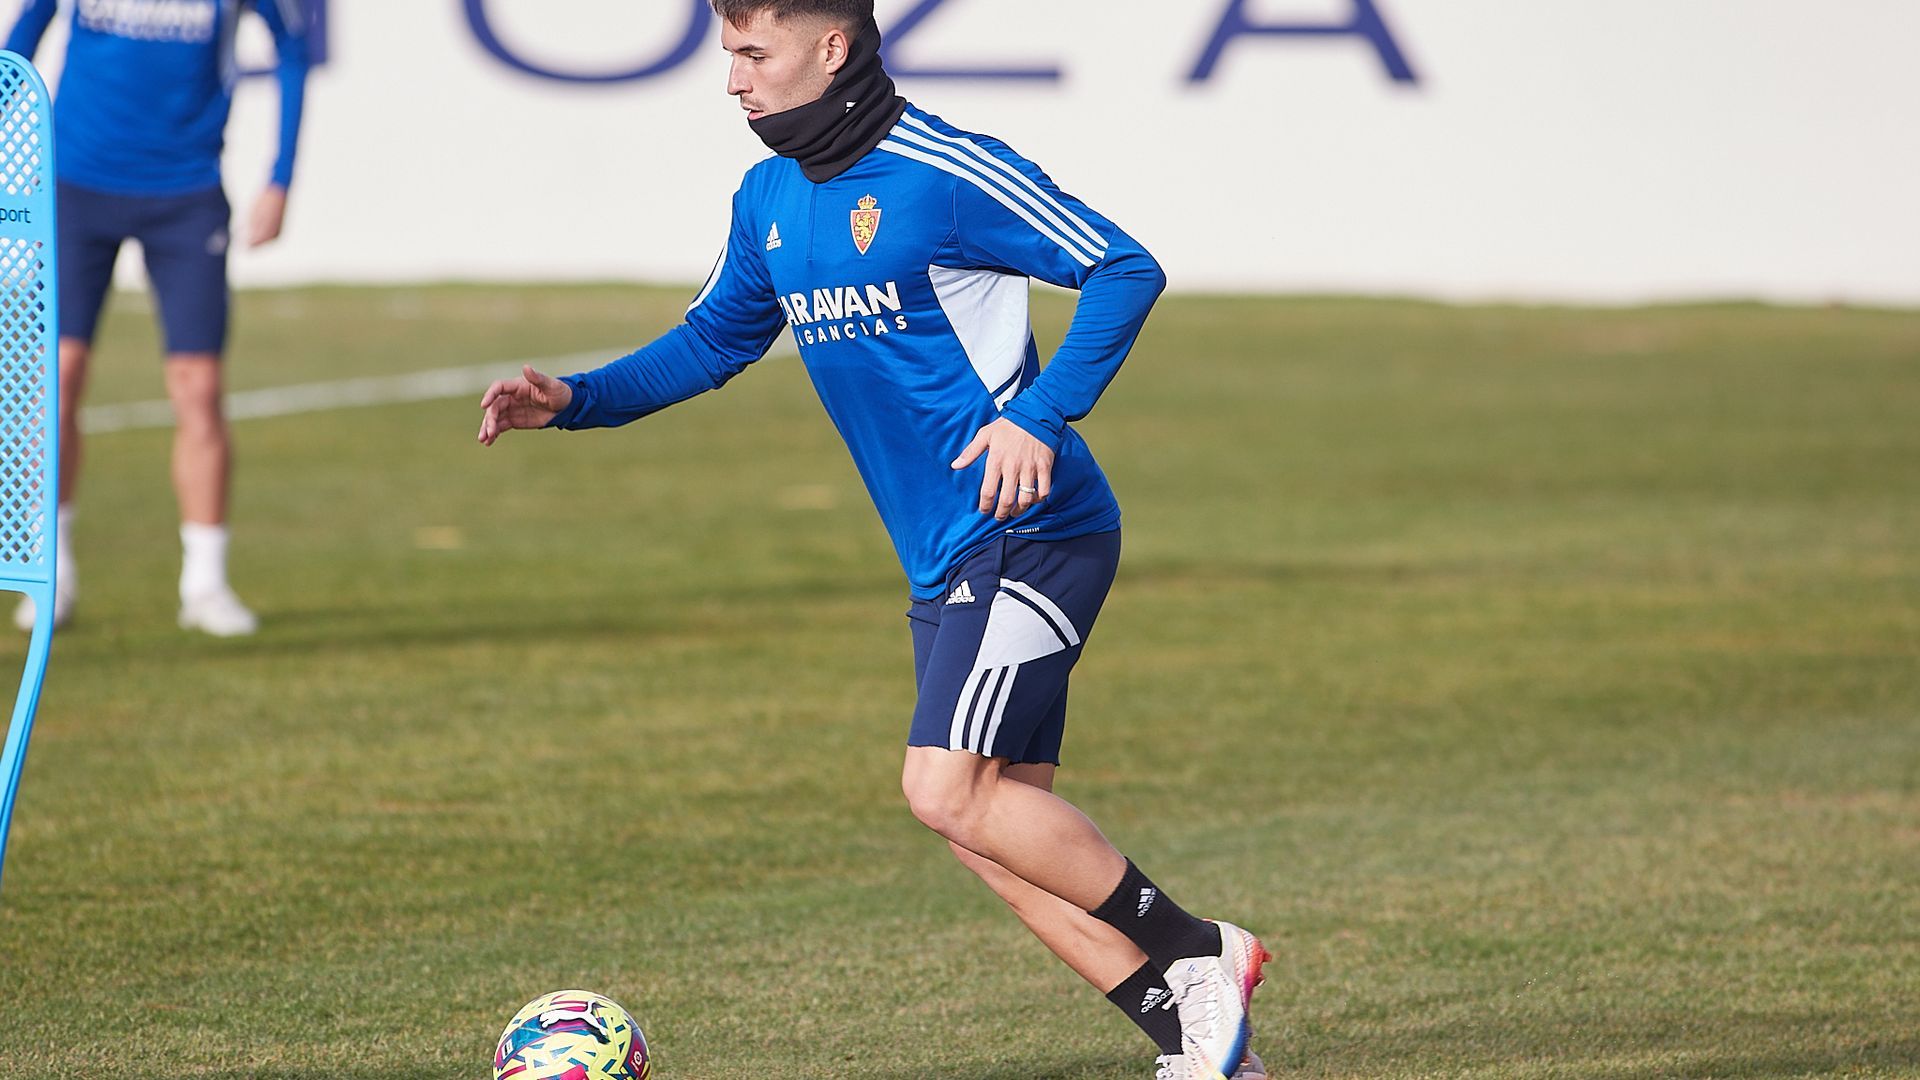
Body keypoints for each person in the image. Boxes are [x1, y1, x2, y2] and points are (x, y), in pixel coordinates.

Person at [477, 3, 1268, 1077]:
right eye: (729, 57)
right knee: (984, 822)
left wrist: (1038, 418)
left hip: (1029, 531)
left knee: (944, 789)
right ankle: (1193, 1031)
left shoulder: (942, 170)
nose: (734, 83)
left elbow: (1123, 268)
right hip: (943, 555)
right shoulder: (768, 197)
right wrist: (574, 399)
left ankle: (1195, 952)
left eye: (754, 55)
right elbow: (713, 341)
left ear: (833, 48)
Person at [5, 0, 312, 636]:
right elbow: (23, 40)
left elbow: (291, 49)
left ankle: (204, 583)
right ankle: (51, 573)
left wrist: (280, 176)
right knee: (59, 379)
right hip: (73, 184)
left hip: (186, 192)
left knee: (198, 389)